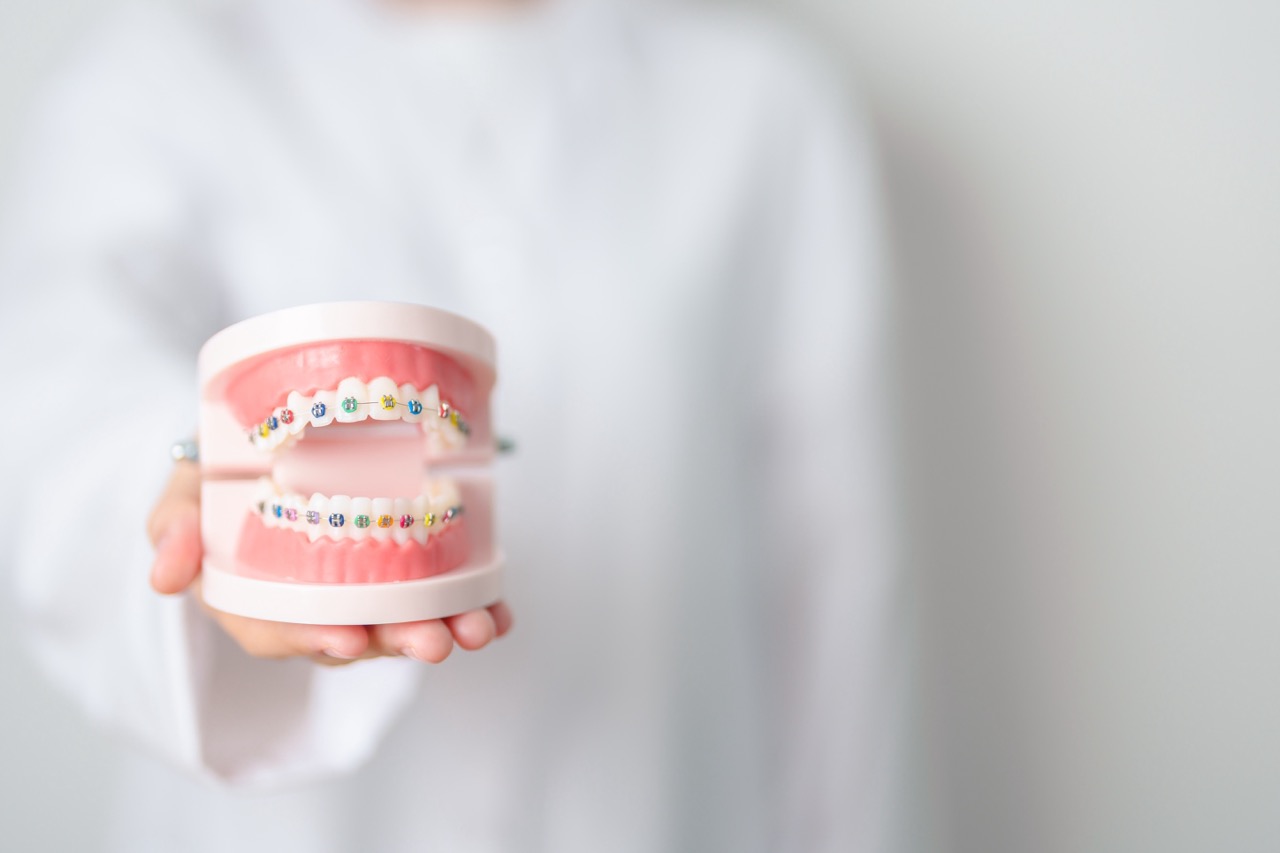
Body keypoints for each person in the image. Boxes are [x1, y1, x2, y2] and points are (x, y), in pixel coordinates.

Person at [0, 0, 899, 850]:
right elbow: (65, 396)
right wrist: (191, 505)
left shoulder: (765, 107)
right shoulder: (148, 79)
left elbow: (836, 587)